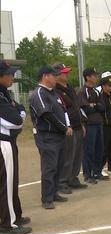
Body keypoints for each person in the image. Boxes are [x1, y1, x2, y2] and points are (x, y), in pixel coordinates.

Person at [29, 65, 71, 210]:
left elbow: (63, 110)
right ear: (45, 76)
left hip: (58, 135)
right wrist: (63, 127)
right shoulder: (39, 93)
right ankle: (46, 198)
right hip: (47, 136)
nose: (56, 77)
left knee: (59, 165)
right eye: (54, 75)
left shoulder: (54, 93)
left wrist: (66, 126)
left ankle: (54, 193)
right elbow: (46, 115)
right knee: (49, 167)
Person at [0, 60, 31, 234]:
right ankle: (7, 223)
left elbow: (17, 111)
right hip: (3, 143)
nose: (12, 76)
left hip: (7, 142)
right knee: (6, 183)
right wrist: (19, 111)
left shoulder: (5, 93)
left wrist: (17, 109)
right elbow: (16, 121)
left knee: (10, 182)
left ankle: (14, 216)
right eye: (9, 74)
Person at [53, 63, 87, 194]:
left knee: (77, 155)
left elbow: (77, 107)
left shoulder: (70, 88)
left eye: (67, 72)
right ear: (56, 75)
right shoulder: (55, 90)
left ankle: (73, 178)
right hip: (68, 127)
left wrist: (82, 124)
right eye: (63, 72)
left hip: (77, 125)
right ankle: (62, 182)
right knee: (68, 156)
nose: (66, 74)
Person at [78, 67, 105, 184]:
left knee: (99, 149)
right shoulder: (82, 91)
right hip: (89, 124)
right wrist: (94, 106)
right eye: (93, 75)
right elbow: (85, 109)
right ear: (87, 77)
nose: (96, 77)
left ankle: (97, 172)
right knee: (89, 149)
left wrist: (94, 105)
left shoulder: (96, 91)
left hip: (98, 122)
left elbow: (103, 107)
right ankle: (88, 175)